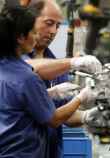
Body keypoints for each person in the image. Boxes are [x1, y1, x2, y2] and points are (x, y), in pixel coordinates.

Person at [0, 5, 96, 158]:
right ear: (20, 37)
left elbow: (21, 102)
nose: (52, 31)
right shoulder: (25, 75)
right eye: (33, 31)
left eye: (58, 25)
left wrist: (87, 116)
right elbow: (53, 119)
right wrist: (81, 97)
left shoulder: (6, 68)